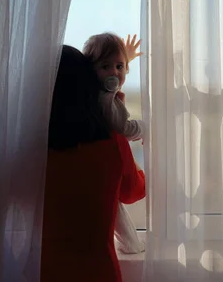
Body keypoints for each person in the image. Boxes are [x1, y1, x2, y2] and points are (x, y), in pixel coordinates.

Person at [41, 45, 146, 282]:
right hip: (99, 271)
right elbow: (132, 191)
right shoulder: (110, 141)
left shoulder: (30, 152)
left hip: (46, 270)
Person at [82, 32, 146, 254]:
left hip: (100, 161)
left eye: (120, 67)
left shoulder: (97, 94)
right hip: (104, 162)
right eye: (106, 67)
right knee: (112, 207)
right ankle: (131, 244)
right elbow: (122, 127)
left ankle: (130, 243)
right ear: (92, 71)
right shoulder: (106, 99)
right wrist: (146, 127)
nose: (115, 73)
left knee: (112, 206)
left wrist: (125, 58)